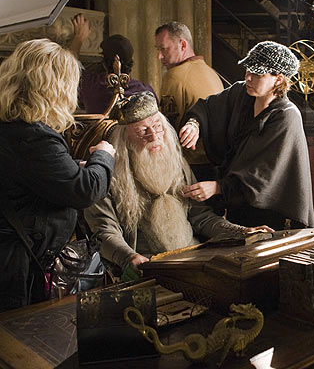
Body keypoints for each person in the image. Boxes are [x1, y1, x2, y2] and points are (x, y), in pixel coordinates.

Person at [84, 92, 271, 274]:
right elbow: (104, 232)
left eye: (157, 126)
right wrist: (129, 257)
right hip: (147, 265)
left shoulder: (175, 162)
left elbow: (201, 217)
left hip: (192, 257)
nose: (154, 136)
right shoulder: (105, 174)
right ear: (124, 138)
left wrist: (241, 232)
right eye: (142, 131)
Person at [0, 39, 115, 311]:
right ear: (54, 87)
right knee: (20, 331)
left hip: (12, 255)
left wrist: (73, 164)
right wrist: (104, 156)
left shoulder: (10, 127)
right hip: (17, 266)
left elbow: (27, 171)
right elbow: (85, 190)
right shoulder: (34, 137)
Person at [178, 41, 314, 230]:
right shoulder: (241, 93)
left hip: (271, 213)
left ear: (278, 79)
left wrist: (217, 187)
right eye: (248, 70)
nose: (248, 78)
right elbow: (207, 107)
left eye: (257, 74)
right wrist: (194, 124)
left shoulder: (286, 117)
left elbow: (263, 175)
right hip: (238, 207)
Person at [154, 21, 224, 181]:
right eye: (158, 50)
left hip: (191, 165)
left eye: (164, 49)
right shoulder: (210, 72)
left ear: (183, 45)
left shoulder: (174, 76)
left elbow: (167, 127)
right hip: (217, 162)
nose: (159, 56)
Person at [69, 14, 157, 114]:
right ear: (132, 60)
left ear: (104, 62)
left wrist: (79, 37)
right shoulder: (146, 92)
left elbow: (70, 68)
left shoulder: (92, 86)